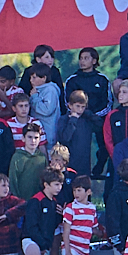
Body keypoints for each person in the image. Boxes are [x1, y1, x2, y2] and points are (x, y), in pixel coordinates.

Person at [64, 47, 113, 176]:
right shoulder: (72, 80)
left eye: (86, 58)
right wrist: (81, 114)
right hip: (78, 120)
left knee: (104, 145)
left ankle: (99, 167)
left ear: (94, 60)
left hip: (98, 120)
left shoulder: (102, 79)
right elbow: (67, 102)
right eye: (80, 58)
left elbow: (108, 103)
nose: (82, 61)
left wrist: (94, 116)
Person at [20, 170, 62, 255]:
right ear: (46, 184)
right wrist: (42, 244)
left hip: (45, 243)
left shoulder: (54, 203)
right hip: (30, 239)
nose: (59, 188)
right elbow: (31, 225)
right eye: (56, 184)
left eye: (60, 184)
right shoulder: (36, 200)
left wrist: (61, 215)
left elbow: (52, 226)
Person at [61, 175, 98, 255]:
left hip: (84, 249)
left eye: (79, 190)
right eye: (74, 190)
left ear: (88, 192)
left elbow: (94, 228)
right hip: (72, 246)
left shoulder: (92, 209)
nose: (76, 193)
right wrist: (67, 252)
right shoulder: (70, 208)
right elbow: (66, 231)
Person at [19, 44, 67, 113]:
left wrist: (63, 112)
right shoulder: (29, 71)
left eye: (52, 57)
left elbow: (60, 93)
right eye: (47, 57)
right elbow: (23, 91)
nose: (50, 60)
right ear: (38, 59)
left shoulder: (55, 71)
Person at [9, 123, 47, 200]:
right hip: (20, 200)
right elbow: (13, 181)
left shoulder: (42, 158)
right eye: (29, 137)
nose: (33, 141)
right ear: (23, 138)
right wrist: (16, 199)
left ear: (40, 139)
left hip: (39, 201)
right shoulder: (17, 157)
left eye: (36, 138)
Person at [28, 64, 62, 145]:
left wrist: (35, 97)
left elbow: (47, 110)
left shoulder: (50, 90)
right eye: (30, 77)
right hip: (38, 131)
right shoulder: (36, 89)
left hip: (48, 131)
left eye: (34, 77)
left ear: (43, 78)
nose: (31, 80)